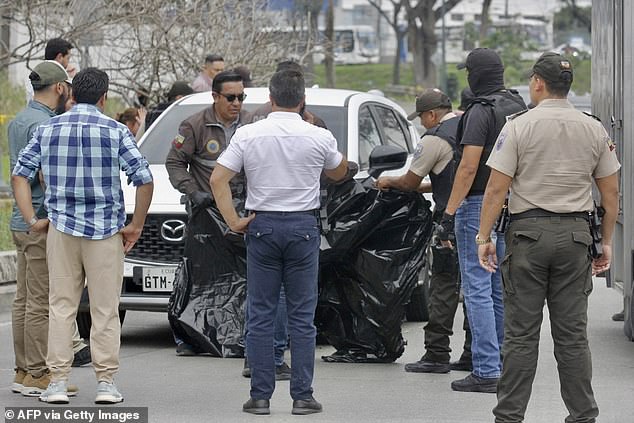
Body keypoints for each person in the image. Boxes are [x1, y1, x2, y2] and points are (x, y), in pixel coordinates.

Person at [476, 52, 620, 422]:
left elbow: (496, 188)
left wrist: (484, 236)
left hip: (528, 237)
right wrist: (605, 242)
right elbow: (611, 194)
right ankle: (583, 415)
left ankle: (509, 416)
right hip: (575, 237)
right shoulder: (593, 128)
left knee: (521, 335)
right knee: (572, 336)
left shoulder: (519, 125)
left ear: (538, 82)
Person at [12, 67, 154, 404]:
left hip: (61, 229)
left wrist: (34, 219)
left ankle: (57, 381)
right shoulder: (116, 130)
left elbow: (20, 175)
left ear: (72, 94)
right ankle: (106, 383)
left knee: (61, 306)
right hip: (105, 231)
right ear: (103, 98)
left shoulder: (48, 128)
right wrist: (135, 224)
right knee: (104, 308)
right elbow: (144, 177)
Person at [211, 69, 348, 416]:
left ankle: (259, 396)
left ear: (270, 99)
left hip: (262, 226)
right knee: (302, 317)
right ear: (302, 101)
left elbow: (218, 179)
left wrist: (233, 220)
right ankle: (302, 396)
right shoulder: (317, 135)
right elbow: (338, 172)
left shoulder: (248, 133)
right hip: (303, 228)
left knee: (260, 313)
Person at [438, 48, 526, 393]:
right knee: (497, 288)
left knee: (476, 287)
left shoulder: (479, 111)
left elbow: (469, 166)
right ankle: (500, 362)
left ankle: (486, 370)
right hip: (509, 204)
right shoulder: (517, 107)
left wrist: (448, 213)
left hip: (477, 205)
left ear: (475, 76)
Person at [376, 88, 472, 374]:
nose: (421, 124)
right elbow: (454, 178)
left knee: (443, 286)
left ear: (432, 114)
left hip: (449, 222)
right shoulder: (468, 127)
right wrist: (425, 186)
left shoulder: (434, 139)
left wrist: (387, 182)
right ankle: (474, 352)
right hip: (479, 214)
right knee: (477, 289)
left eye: (422, 118)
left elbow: (407, 182)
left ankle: (436, 353)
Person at [165, 70, 251, 355]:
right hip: (206, 212)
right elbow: (175, 162)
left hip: (242, 209)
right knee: (201, 278)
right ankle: (192, 336)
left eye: (241, 96)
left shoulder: (252, 124)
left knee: (243, 277)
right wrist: (192, 190)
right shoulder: (194, 125)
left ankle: (238, 336)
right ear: (215, 96)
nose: (236, 102)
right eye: (230, 97)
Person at [26, 38, 76, 103]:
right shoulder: (61, 79)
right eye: (68, 58)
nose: (68, 62)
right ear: (60, 57)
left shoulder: (34, 75)